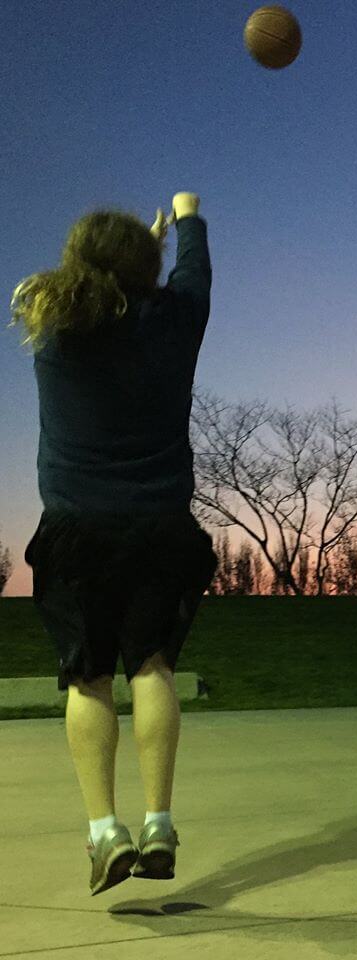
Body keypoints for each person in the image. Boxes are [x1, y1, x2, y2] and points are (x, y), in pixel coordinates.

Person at [11, 192, 218, 896]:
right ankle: (159, 822)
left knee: (88, 676)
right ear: (147, 268)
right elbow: (194, 271)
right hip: (162, 528)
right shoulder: (177, 321)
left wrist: (133, 246)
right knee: (151, 667)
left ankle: (106, 833)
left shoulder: (51, 318)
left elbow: (66, 283)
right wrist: (183, 218)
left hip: (77, 532)